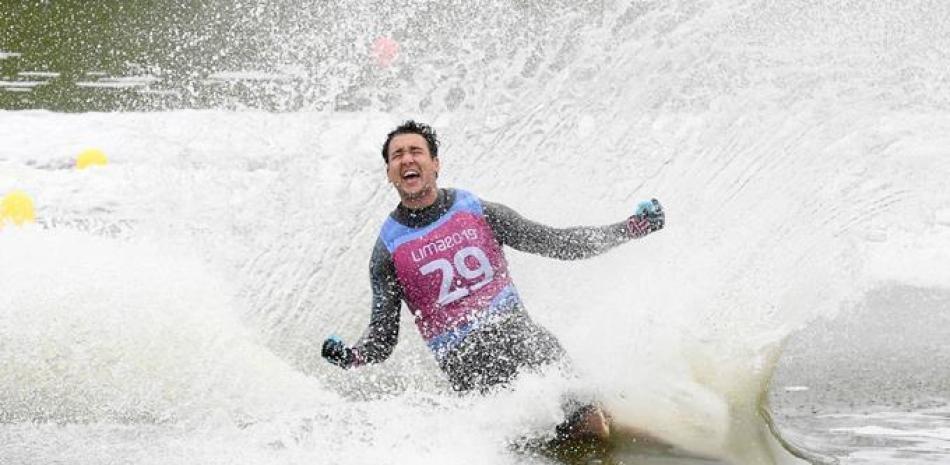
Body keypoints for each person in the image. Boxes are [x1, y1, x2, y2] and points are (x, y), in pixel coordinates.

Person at [322, 120, 664, 442]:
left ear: (435, 164)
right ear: (389, 174)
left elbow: (558, 243)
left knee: (599, 417)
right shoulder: (387, 250)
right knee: (582, 428)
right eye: (397, 155)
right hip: (468, 365)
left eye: (416, 151)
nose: (407, 159)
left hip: (522, 336)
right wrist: (352, 356)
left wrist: (631, 228)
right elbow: (383, 339)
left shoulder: (476, 210)